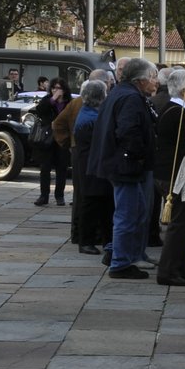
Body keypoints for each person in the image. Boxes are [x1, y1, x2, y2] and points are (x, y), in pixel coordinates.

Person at [90, 58, 159, 280]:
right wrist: (137, 156)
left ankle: (115, 252)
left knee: (134, 210)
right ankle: (120, 263)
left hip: (121, 164)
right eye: (152, 77)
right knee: (128, 213)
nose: (155, 82)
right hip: (125, 166)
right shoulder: (130, 97)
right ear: (141, 79)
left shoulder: (122, 93)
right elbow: (128, 131)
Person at [153, 69, 185, 287]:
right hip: (175, 176)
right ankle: (167, 271)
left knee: (183, 224)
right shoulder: (180, 114)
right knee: (178, 225)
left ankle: (180, 267)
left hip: (167, 173)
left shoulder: (173, 109)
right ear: (184, 90)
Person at [69, 80, 111, 256]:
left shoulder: (89, 113)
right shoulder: (91, 118)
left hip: (89, 165)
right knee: (90, 204)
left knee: (96, 203)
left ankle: (95, 239)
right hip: (90, 167)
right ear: (100, 96)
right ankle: (86, 241)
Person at [31, 80, 73, 207]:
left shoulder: (69, 102)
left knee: (62, 167)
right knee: (45, 167)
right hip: (47, 138)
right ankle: (44, 196)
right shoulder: (47, 100)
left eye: (59, 88)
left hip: (63, 138)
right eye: (54, 88)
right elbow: (39, 110)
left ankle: (59, 196)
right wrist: (53, 99)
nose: (56, 90)